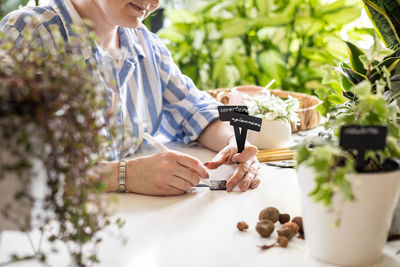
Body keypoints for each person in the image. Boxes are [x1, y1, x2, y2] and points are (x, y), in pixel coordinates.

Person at [0, 0, 261, 196]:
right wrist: (124, 175)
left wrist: (234, 140)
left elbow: (197, 109)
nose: (153, 2)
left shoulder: (146, 45)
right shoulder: (28, 33)